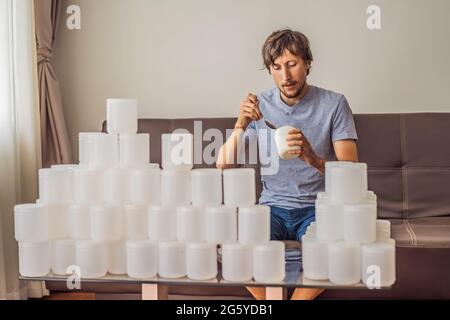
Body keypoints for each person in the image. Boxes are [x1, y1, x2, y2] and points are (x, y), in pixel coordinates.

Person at [216, 29, 359, 300]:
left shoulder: (334, 104)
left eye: (292, 64)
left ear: (307, 63)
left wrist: (312, 158)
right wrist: (239, 125)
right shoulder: (260, 105)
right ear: (270, 69)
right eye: (277, 67)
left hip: (318, 207)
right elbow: (222, 165)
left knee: (338, 250)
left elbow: (351, 172)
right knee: (231, 247)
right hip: (272, 206)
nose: (286, 76)